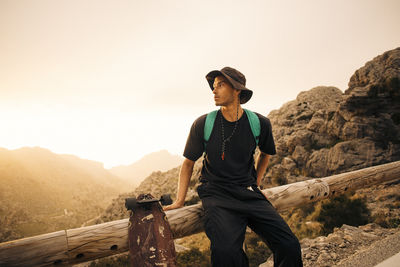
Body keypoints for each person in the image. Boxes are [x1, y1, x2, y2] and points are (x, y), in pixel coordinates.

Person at [164, 67, 303, 267]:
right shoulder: (203, 123)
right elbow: (188, 164)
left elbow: (266, 154)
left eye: (221, 85)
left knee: (289, 245)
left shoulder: (259, 123)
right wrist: (179, 200)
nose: (214, 90)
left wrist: (256, 183)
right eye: (213, 86)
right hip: (217, 196)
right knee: (226, 254)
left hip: (249, 193)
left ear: (237, 90)